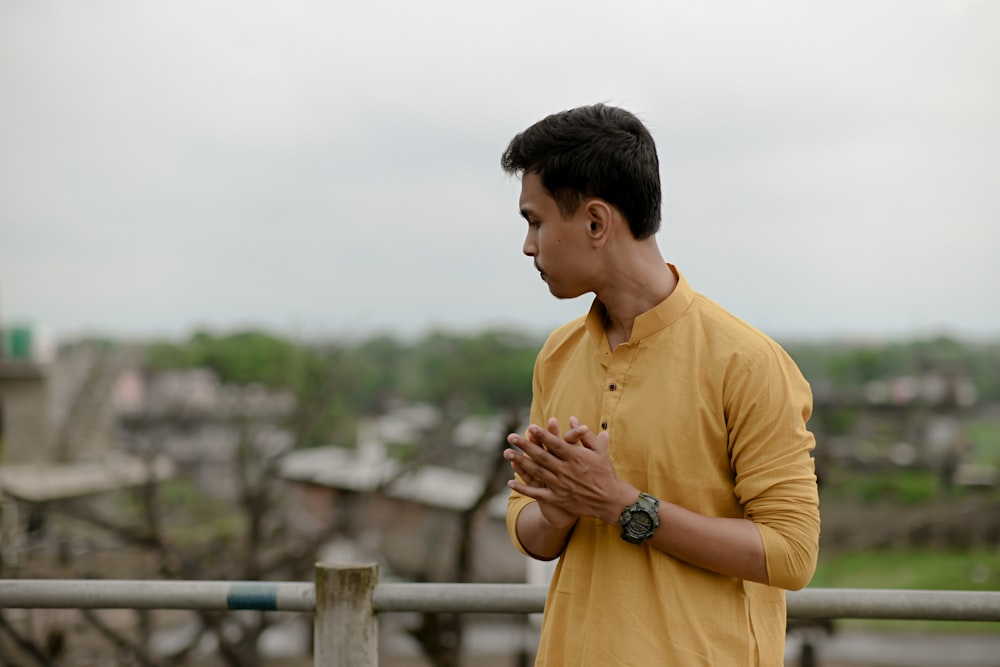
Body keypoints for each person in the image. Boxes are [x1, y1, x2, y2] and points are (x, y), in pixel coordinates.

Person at [500, 104, 821, 666]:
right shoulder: (559, 354)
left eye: (536, 221)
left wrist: (622, 503)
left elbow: (792, 554)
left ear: (596, 223)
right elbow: (531, 528)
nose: (528, 245)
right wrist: (558, 509)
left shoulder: (746, 361)